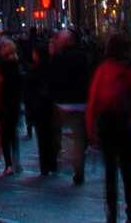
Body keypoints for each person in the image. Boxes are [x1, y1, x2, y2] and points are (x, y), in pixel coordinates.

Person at [88, 39, 131, 223]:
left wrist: (90, 129)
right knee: (128, 172)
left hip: (106, 124)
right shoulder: (127, 71)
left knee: (110, 172)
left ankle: (112, 213)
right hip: (123, 122)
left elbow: (93, 100)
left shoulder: (102, 70)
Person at [58, 28, 102, 186]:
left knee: (66, 136)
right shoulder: (84, 57)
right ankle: (79, 168)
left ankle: (74, 164)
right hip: (81, 100)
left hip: (65, 102)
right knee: (78, 137)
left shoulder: (61, 57)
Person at [36, 37, 71, 177]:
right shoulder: (54, 64)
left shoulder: (42, 67)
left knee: (47, 134)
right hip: (52, 103)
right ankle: (51, 162)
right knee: (52, 133)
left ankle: (47, 163)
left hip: (47, 104)